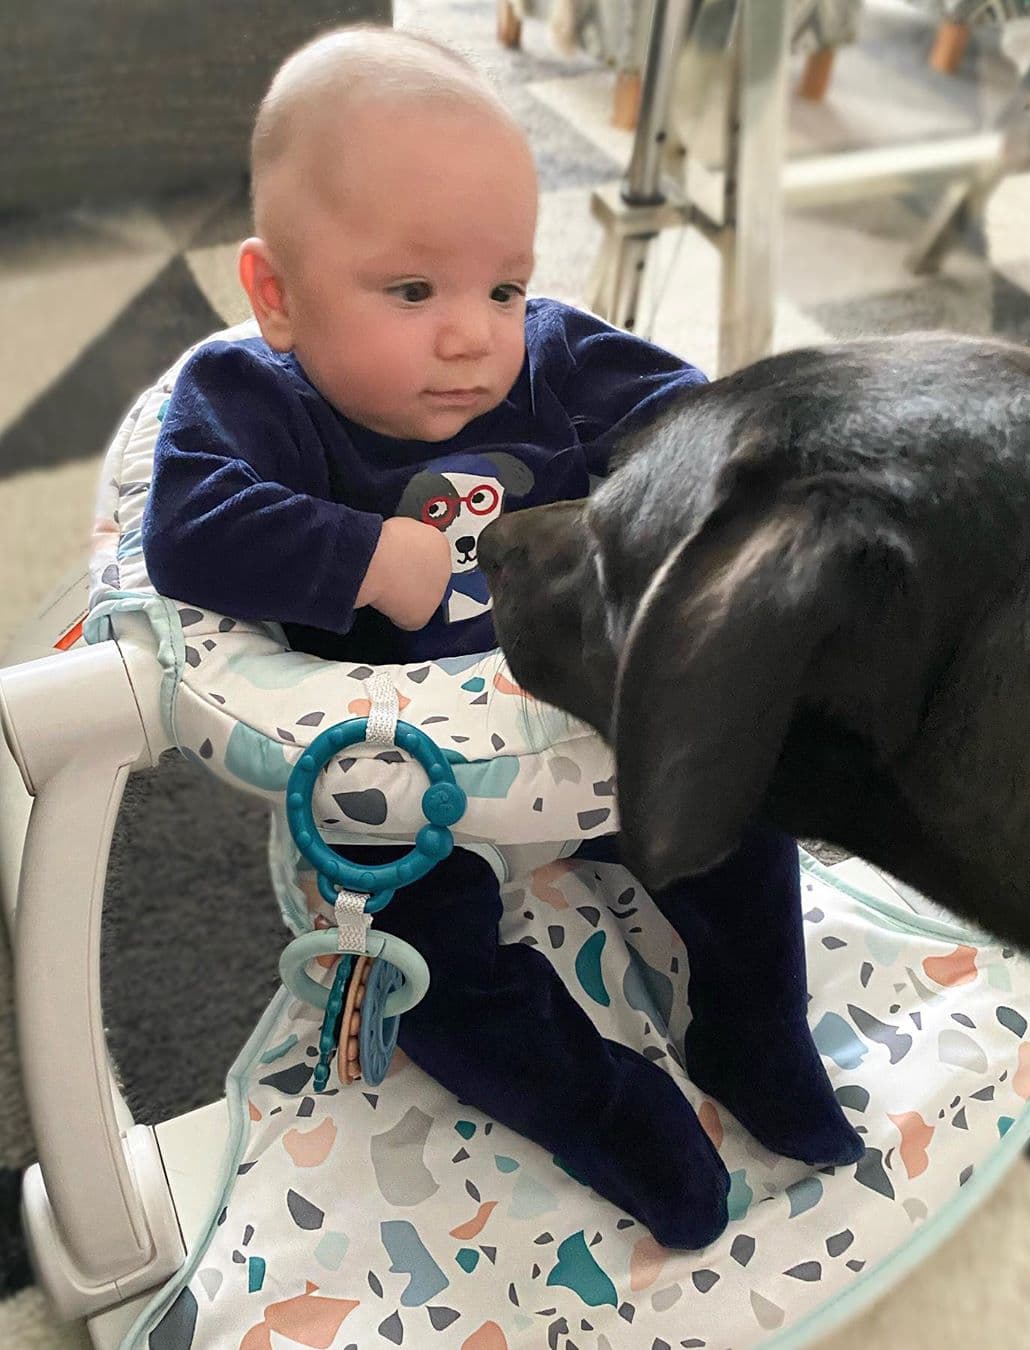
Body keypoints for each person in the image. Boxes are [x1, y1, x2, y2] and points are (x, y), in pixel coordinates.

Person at [144, 25, 862, 1250]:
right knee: (415, 960)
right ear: (275, 295)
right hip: (398, 785)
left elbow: (705, 420)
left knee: (747, 806)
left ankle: (756, 1026)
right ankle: (604, 1107)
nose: (474, 334)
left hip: (583, 721)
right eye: (413, 291)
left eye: (504, 286)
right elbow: (187, 532)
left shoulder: (554, 362)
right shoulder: (252, 396)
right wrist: (366, 556)